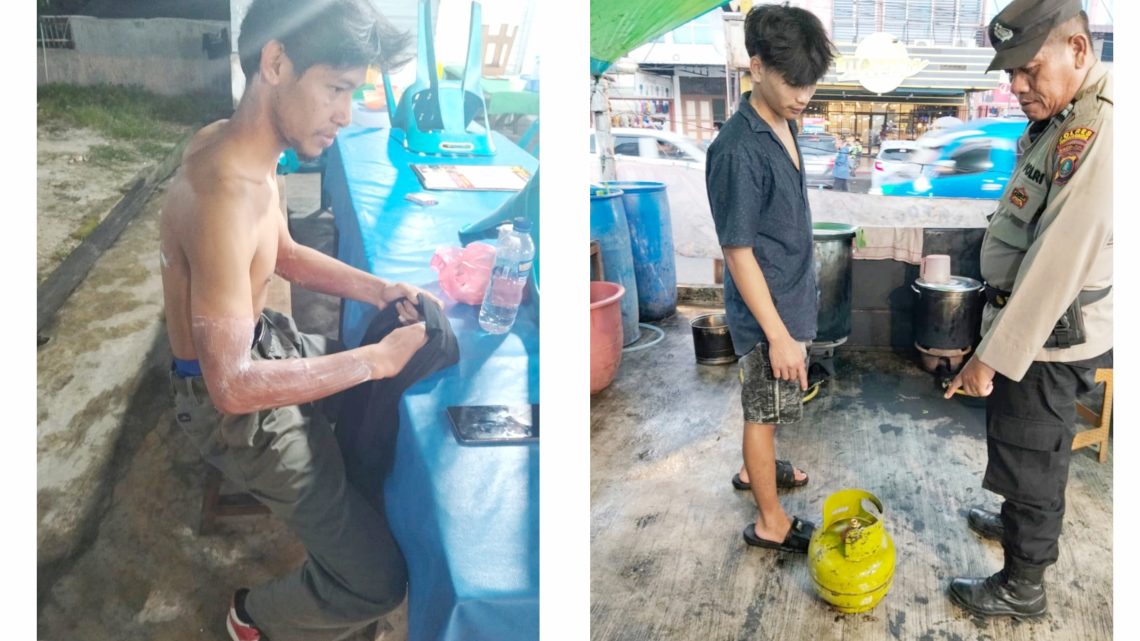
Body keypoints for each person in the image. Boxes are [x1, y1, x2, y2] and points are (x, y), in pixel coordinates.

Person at [158, 1, 447, 639]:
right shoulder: (223, 195)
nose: (346, 113)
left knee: (387, 404)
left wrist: (377, 289)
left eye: (353, 93)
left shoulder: (242, 147)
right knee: (377, 582)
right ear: (276, 63)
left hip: (260, 343)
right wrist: (372, 360)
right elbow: (231, 388)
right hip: (229, 408)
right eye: (337, 89)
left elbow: (281, 253)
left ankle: (340, 521)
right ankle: (253, 618)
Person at [943, 0, 1112, 618]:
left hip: (1049, 332)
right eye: (1010, 71)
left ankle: (1023, 586)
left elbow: (1057, 261)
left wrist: (989, 357)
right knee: (1022, 444)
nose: (1015, 85)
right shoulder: (1063, 114)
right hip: (1032, 324)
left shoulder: (1100, 127)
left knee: (1035, 455)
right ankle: (1016, 523)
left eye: (1029, 68)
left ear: (1077, 49)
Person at [704, 4, 835, 554]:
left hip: (789, 300)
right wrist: (778, 336)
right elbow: (737, 254)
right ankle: (770, 523)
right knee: (761, 415)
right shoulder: (738, 150)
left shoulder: (784, 120)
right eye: (793, 83)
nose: (804, 95)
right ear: (756, 67)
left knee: (774, 404)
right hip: (766, 317)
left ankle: (752, 469)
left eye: (811, 82)